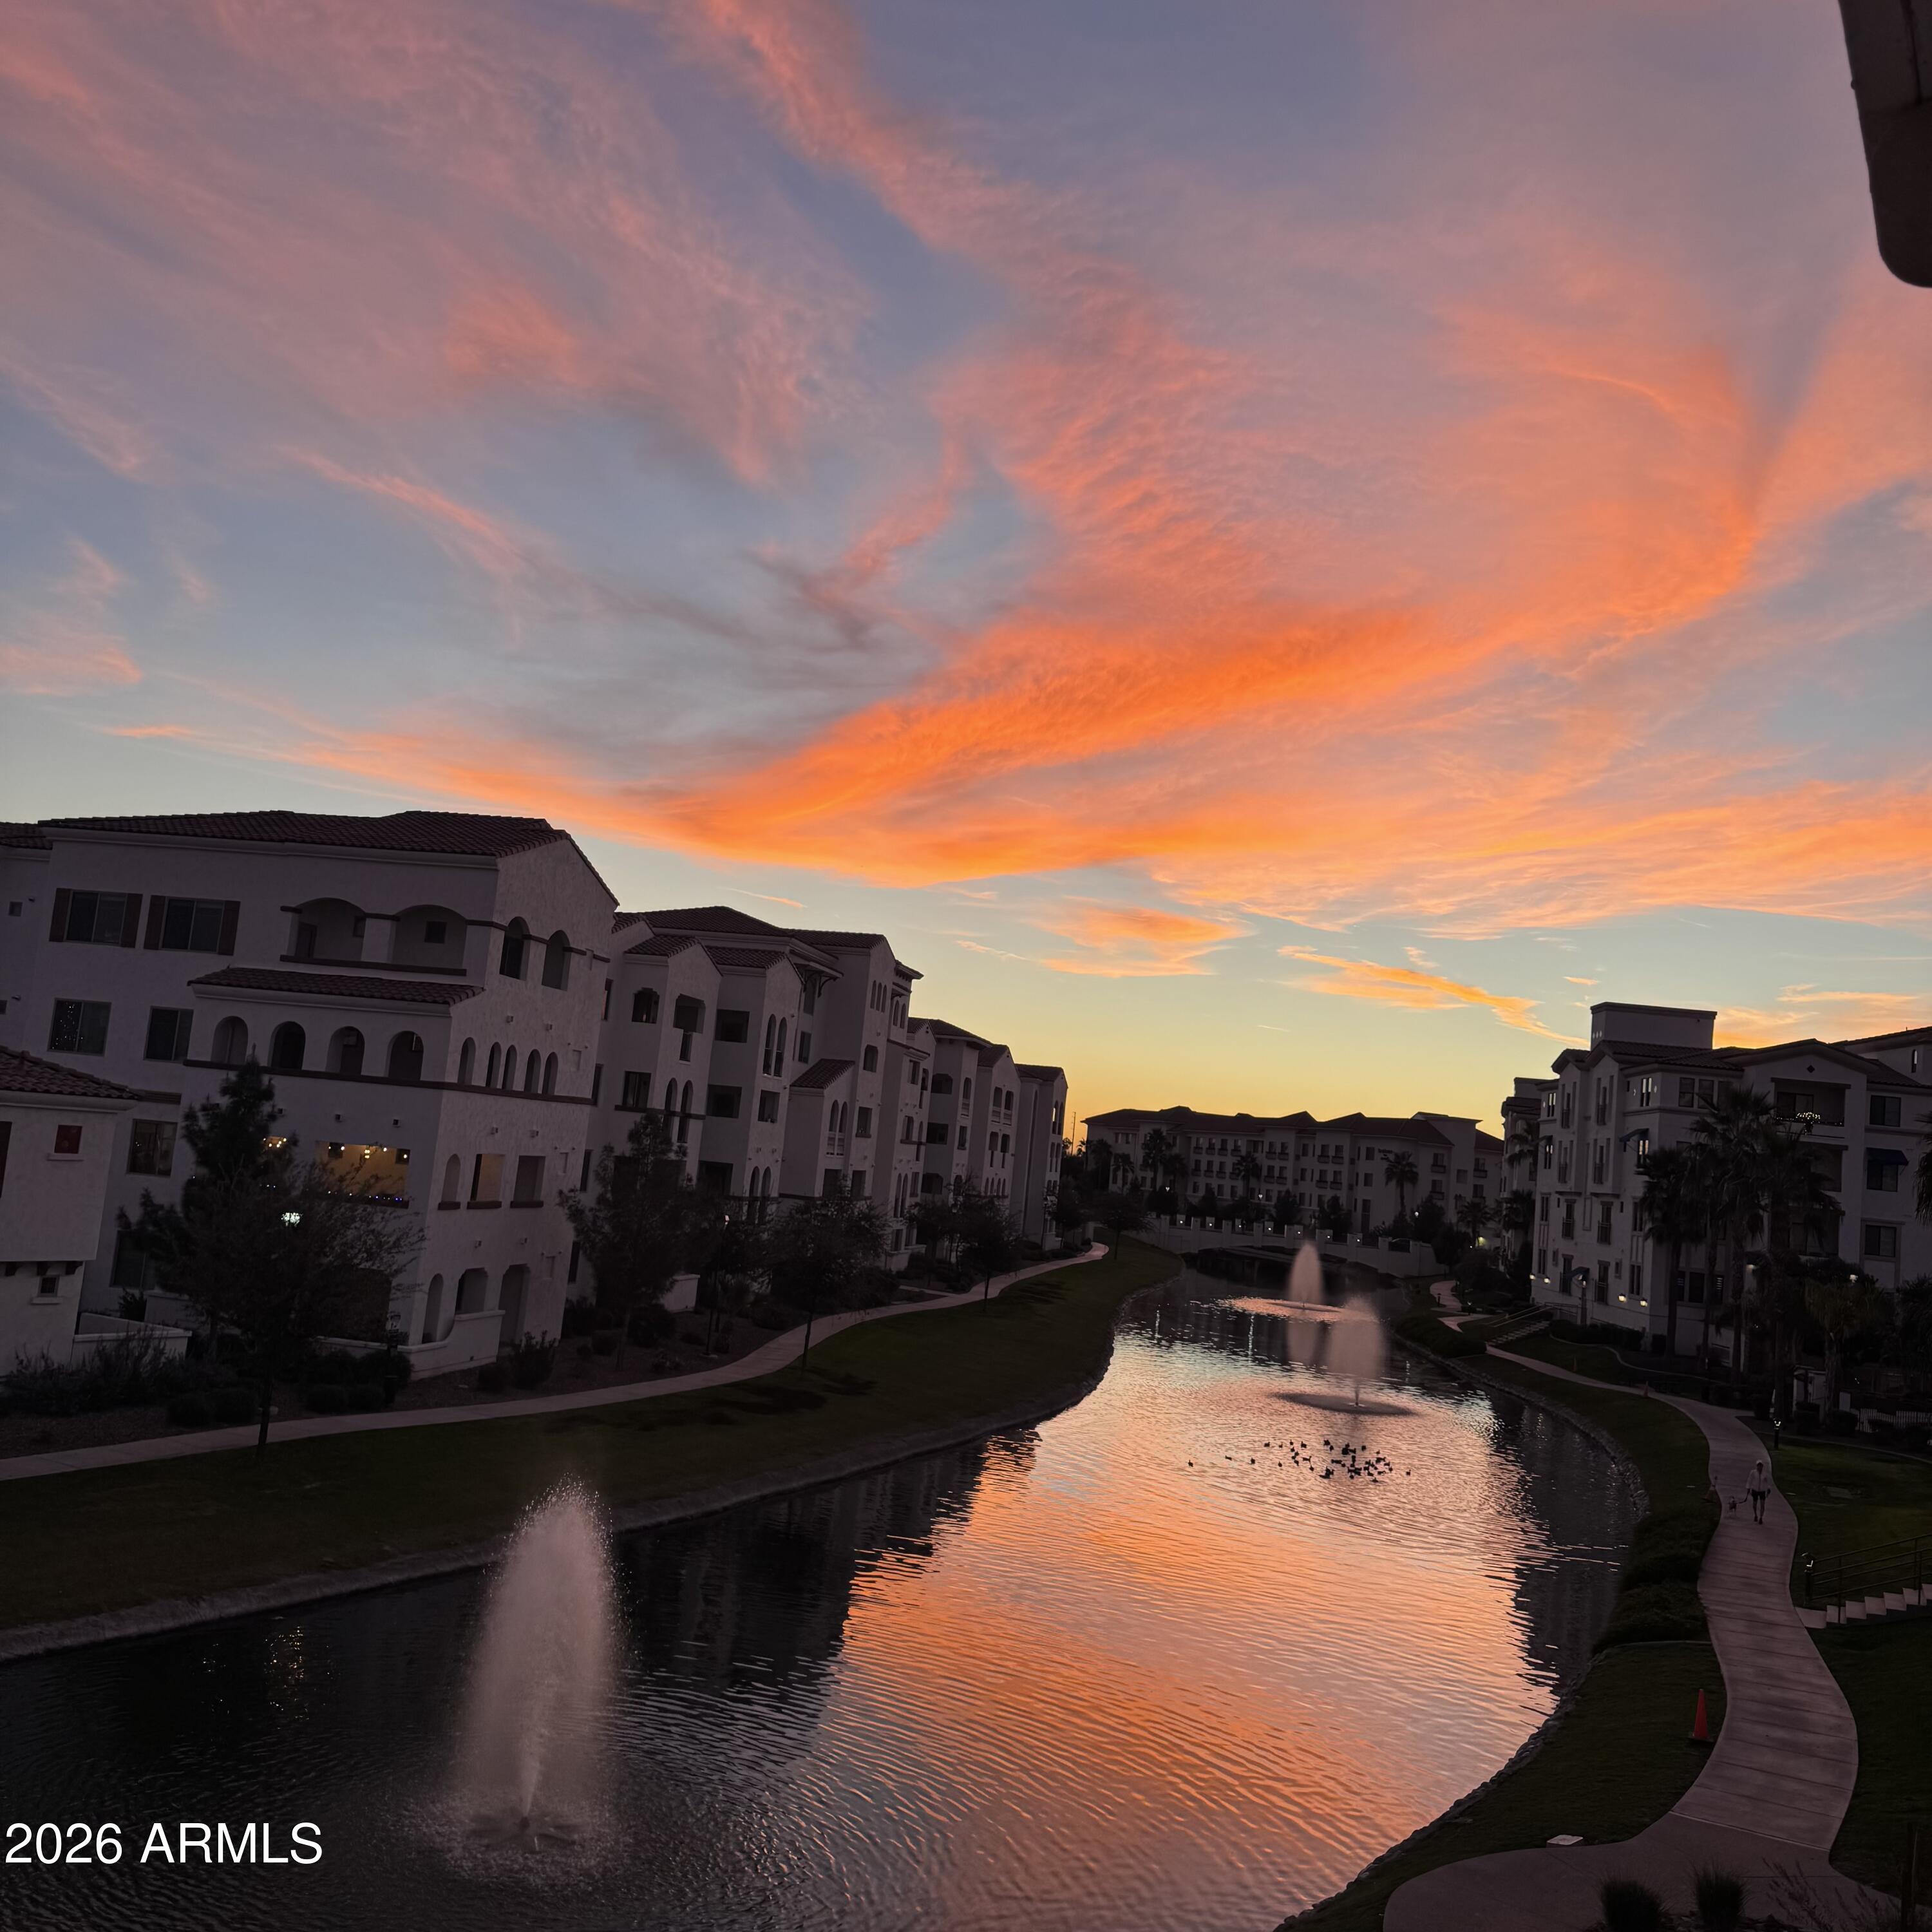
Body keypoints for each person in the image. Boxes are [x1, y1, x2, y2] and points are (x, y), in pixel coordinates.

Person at [1748, 1457, 1771, 1524]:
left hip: (1762, 1491)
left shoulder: (1765, 1474)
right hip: (1755, 1490)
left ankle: (1761, 1517)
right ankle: (1755, 1515)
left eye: (1761, 1466)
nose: (1759, 1467)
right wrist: (1748, 1488)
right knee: (1754, 1505)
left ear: (1762, 1467)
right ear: (1757, 1466)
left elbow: (1768, 1483)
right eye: (1758, 1466)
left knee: (1762, 1505)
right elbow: (1749, 1480)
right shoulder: (1753, 1473)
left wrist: (1768, 1489)